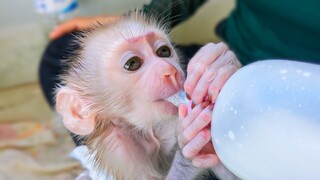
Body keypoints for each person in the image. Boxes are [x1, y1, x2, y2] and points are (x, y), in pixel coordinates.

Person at [38, 0, 320, 175]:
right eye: (134, 62)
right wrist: (127, 27)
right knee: (61, 53)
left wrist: (189, 157)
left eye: (163, 52)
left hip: (298, 88)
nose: (170, 70)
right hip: (230, 52)